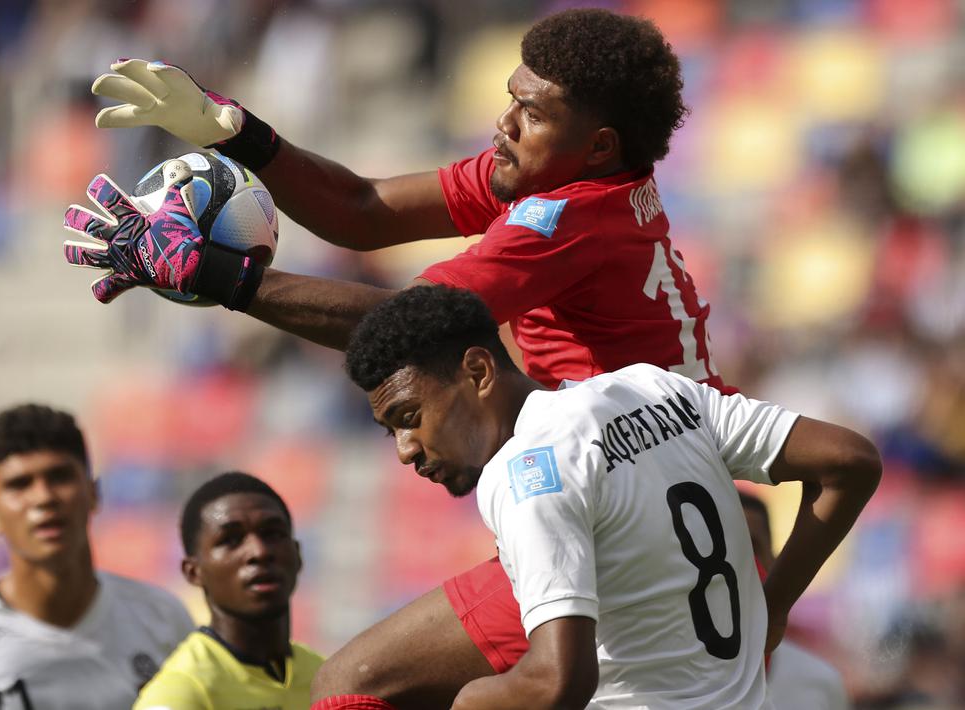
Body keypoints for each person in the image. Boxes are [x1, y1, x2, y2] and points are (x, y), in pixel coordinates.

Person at [66, 9, 728, 705]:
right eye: (509, 99)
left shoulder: (565, 219)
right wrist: (238, 135)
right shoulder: (554, 182)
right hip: (657, 498)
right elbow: (364, 208)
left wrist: (218, 278)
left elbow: (413, 328)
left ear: (596, 147)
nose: (503, 122)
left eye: (529, 114)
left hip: (624, 514)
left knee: (352, 683)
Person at [331, 285, 880, 709]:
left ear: (478, 371)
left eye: (410, 418)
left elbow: (557, 682)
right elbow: (849, 462)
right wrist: (774, 603)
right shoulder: (654, 386)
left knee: (343, 683)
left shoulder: (525, 471)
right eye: (391, 430)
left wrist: (468, 702)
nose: (405, 450)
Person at [0, 403, 193, 710]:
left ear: (94, 494)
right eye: (19, 485)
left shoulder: (162, 620)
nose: (44, 498)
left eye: (59, 477)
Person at [133, 471, 322, 709]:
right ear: (193, 572)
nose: (259, 552)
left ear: (298, 555)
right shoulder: (182, 692)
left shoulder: (326, 679)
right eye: (231, 540)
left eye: (273, 534)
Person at [739, 491, 851, 710]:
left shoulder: (820, 684)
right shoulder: (661, 676)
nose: (739, 559)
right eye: (722, 546)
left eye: (751, 546)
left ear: (774, 560)